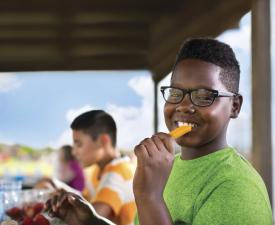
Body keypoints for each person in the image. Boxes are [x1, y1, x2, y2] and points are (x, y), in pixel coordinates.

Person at [45, 38, 273, 225]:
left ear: (234, 106)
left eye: (204, 96)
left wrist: (150, 197)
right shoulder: (167, 167)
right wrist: (92, 222)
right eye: (175, 94)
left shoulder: (235, 187)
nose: (184, 106)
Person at [46, 110, 136, 225]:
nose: (74, 152)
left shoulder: (118, 174)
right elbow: (85, 201)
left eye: (79, 144)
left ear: (103, 141)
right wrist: (58, 186)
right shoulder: (96, 169)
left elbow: (89, 218)